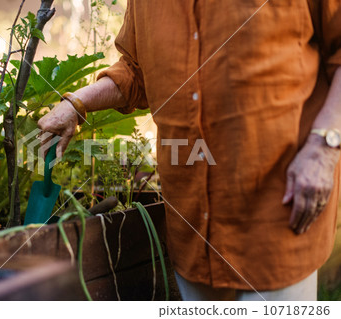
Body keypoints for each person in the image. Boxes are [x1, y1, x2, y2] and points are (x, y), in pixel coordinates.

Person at [38, 0, 341, 301]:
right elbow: (136, 71)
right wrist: (75, 104)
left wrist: (323, 148)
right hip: (192, 217)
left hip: (276, 205)